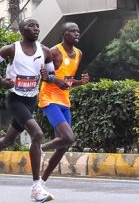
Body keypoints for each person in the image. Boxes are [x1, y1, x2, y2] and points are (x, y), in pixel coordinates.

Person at [0, 18, 54, 203]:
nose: (36, 29)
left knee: (9, 140)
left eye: (38, 26)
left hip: (31, 99)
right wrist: (1, 80)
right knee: (37, 134)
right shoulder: (12, 49)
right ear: (22, 30)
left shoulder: (46, 52)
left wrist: (47, 76)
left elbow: (52, 75)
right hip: (15, 99)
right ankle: (36, 188)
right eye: (31, 26)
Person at [38, 22, 89, 193]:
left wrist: (80, 82)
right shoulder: (54, 52)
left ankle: (41, 182)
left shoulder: (79, 54)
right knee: (69, 137)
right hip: (49, 99)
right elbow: (46, 76)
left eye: (78, 31)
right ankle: (39, 149)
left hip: (64, 101)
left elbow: (66, 80)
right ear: (64, 34)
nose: (77, 34)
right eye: (72, 31)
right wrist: (54, 80)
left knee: (64, 145)